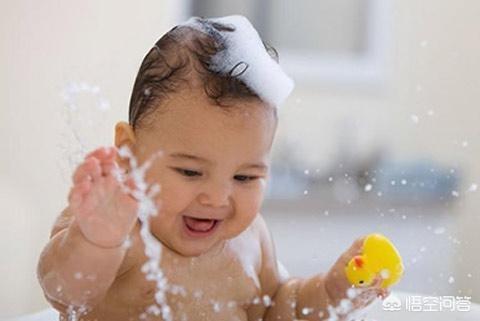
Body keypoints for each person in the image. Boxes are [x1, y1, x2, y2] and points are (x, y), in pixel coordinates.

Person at [37, 15, 390, 321]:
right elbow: (66, 293)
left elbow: (279, 310)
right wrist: (97, 240)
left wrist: (334, 293)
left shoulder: (250, 240)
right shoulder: (113, 224)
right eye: (190, 172)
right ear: (130, 155)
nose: (218, 197)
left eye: (244, 177)